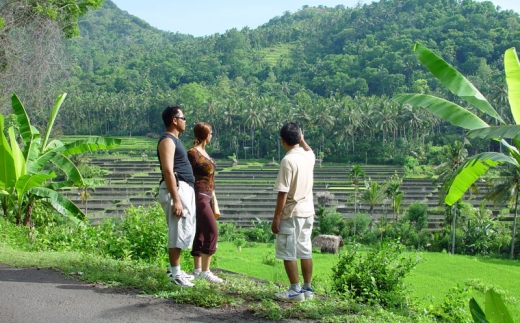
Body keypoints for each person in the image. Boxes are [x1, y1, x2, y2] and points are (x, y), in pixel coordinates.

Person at [271, 122, 315, 302]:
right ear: (299, 137)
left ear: (282, 140)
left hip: (291, 212)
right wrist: (302, 140)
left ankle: (294, 290)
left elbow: (283, 192)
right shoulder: (308, 157)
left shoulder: (288, 160)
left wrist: (276, 218)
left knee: (288, 251)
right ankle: (307, 289)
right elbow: (310, 149)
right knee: (305, 250)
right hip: (308, 212)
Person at [157, 106, 197, 287]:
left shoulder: (175, 140)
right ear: (174, 120)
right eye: (183, 117)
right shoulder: (167, 141)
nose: (185, 121)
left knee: (183, 229)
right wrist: (177, 199)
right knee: (177, 230)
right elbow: (168, 170)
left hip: (184, 188)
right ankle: (174, 274)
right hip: (177, 188)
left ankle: (177, 270)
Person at [187, 122, 223, 283]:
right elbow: (185, 174)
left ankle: (197, 270)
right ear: (206, 135)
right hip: (199, 195)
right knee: (212, 232)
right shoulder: (193, 153)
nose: (211, 136)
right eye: (211, 133)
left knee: (200, 233)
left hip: (208, 195)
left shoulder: (204, 152)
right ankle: (205, 271)